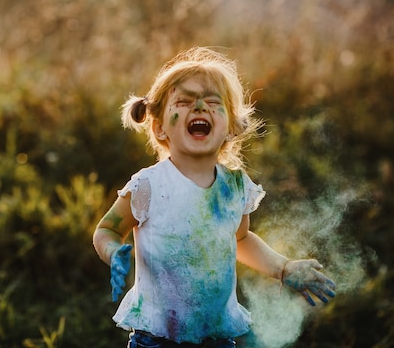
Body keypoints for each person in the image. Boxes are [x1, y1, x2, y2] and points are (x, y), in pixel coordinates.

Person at [92, 47, 336, 347]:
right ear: (159, 127)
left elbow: (241, 240)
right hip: (157, 339)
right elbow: (106, 229)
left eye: (212, 101)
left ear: (232, 127)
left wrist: (283, 268)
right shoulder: (150, 185)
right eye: (184, 101)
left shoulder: (234, 187)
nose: (199, 108)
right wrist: (114, 252)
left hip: (216, 338)